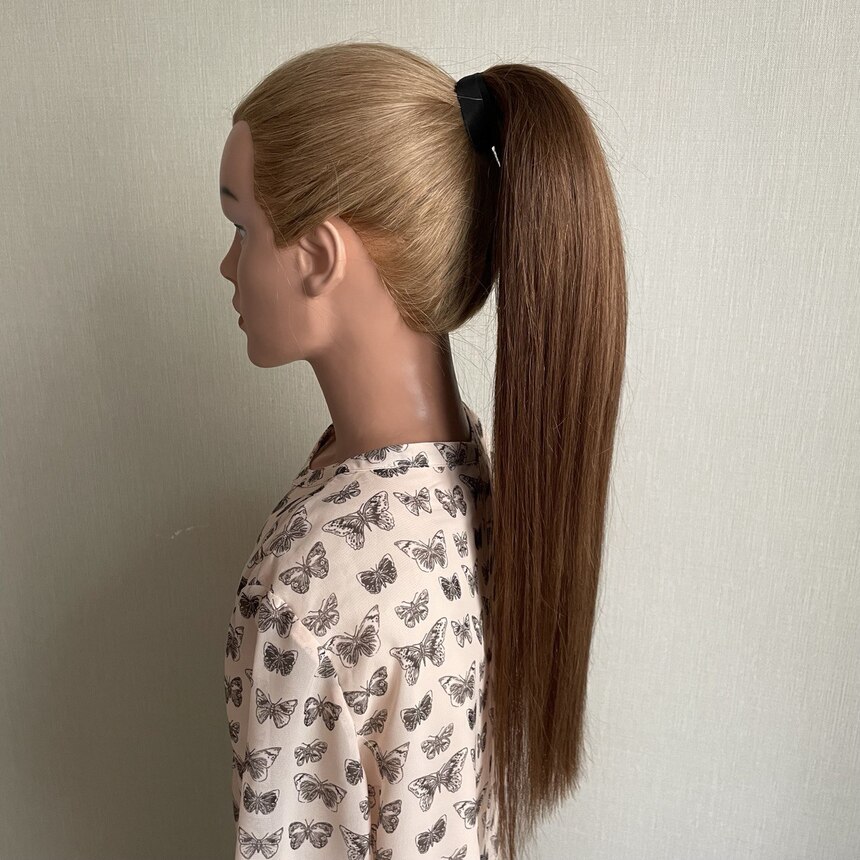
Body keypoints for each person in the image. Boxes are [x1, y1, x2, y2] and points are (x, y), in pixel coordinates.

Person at [220, 41, 627, 860]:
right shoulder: (459, 462)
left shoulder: (312, 587)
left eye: (240, 227)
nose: (227, 266)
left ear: (319, 257)